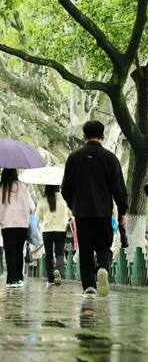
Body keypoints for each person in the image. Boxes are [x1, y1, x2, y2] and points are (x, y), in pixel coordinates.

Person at [62, 120, 128, 296]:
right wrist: (122, 211)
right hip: (104, 212)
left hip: (82, 213)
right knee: (103, 247)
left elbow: (66, 188)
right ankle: (103, 268)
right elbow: (119, 188)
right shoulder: (110, 158)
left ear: (84, 136)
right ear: (103, 136)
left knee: (85, 250)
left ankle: (89, 286)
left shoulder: (74, 158)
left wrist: (72, 204)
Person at [0, 168, 34, 288]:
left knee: (10, 252)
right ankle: (19, 278)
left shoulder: (2, 189)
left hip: (8, 225)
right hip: (22, 225)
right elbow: (32, 207)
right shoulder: (23, 187)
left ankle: (11, 279)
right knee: (18, 251)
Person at [36, 185, 72, 287]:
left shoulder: (43, 200)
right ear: (58, 187)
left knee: (48, 254)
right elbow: (69, 214)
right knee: (59, 252)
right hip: (61, 230)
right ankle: (59, 272)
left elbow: (38, 215)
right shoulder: (64, 199)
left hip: (47, 230)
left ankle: (50, 279)